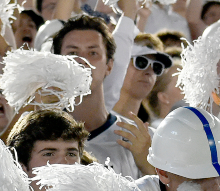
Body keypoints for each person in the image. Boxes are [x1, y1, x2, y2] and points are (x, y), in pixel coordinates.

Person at [52, 14, 152, 178]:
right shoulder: (39, 133)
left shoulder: (140, 139)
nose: (82, 60)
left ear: (109, 66)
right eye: (72, 53)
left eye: (93, 53)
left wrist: (147, 165)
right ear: (58, 63)